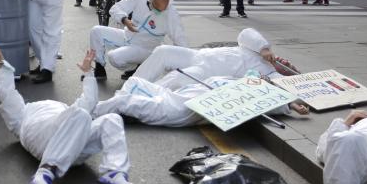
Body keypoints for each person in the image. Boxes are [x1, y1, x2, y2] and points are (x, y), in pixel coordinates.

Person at [0, 43, 135, 184]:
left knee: (111, 119)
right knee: (82, 115)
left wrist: (88, 73)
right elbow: (7, 95)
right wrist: (1, 66)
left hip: (73, 146)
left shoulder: (69, 113)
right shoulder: (22, 116)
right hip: (44, 139)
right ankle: (46, 170)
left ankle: (115, 172)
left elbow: (89, 102)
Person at [94, 70, 308, 128]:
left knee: (124, 102)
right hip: (173, 96)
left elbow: (260, 105)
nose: (261, 77)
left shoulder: (246, 95)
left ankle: (89, 113)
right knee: (135, 83)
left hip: (174, 110)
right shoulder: (232, 80)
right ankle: (125, 114)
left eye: (264, 80)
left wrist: (288, 105)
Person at [89, 0, 187, 81]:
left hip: (145, 48)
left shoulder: (171, 13)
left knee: (114, 57)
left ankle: (134, 67)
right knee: (96, 31)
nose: (160, 12)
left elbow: (179, 38)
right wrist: (124, 20)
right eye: (157, 9)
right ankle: (99, 66)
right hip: (126, 35)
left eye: (163, 9)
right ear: (151, 0)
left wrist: (185, 65)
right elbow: (116, 8)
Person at [130, 28, 280, 89]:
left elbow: (289, 88)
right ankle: (131, 87)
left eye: (288, 65)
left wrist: (291, 105)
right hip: (199, 54)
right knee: (163, 51)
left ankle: (142, 95)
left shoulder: (270, 73)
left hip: (207, 71)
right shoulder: (255, 49)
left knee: (176, 79)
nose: (285, 61)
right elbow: (246, 33)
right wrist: (263, 48)